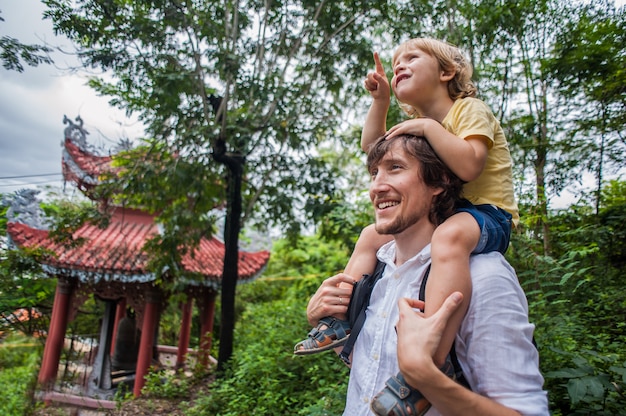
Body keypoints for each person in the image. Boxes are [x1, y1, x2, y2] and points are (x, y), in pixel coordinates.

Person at [295, 37, 517, 387]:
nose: (399, 65)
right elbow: (374, 148)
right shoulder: (420, 127)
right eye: (396, 62)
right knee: (372, 234)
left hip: (489, 214)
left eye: (412, 57)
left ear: (447, 71)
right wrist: (380, 101)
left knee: (449, 236)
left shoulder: (468, 110)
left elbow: (471, 165)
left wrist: (428, 128)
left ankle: (430, 357)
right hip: (449, 211)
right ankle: (339, 318)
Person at [305, 134, 548, 415]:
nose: (377, 186)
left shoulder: (483, 277)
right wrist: (321, 318)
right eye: (374, 173)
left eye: (395, 168)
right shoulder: (377, 270)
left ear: (439, 181)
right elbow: (368, 367)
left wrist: (427, 377)